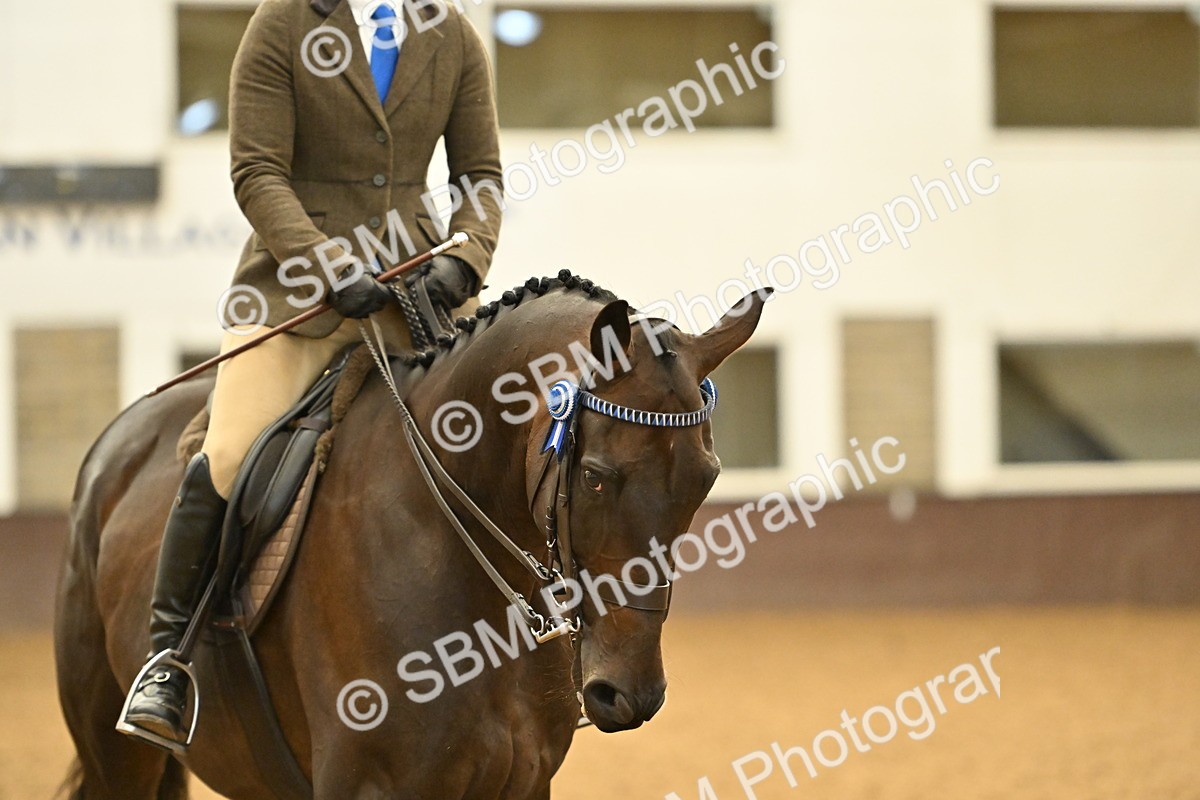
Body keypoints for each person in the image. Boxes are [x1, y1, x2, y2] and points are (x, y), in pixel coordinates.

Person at [119, 0, 503, 748]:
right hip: (297, 291)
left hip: (415, 291)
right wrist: (327, 263)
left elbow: (479, 175)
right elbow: (257, 171)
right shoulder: (285, 22)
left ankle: (537, 634)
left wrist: (466, 257)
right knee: (229, 453)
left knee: (493, 439)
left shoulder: (452, 32)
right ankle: (167, 659)